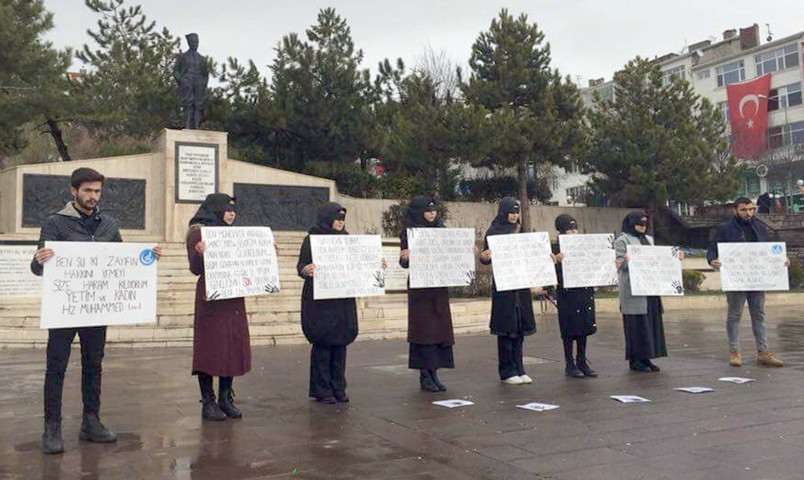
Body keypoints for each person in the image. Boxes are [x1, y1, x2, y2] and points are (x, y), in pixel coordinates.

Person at [31, 167, 162, 454]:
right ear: (73, 191)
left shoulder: (109, 225)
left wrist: (146, 258)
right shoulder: (55, 223)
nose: (93, 196)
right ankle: (51, 428)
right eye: (88, 190)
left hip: (96, 309)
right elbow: (37, 268)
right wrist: (39, 260)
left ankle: (91, 421)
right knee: (56, 367)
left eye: (97, 191)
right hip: (65, 309)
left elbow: (122, 262)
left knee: (94, 364)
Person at [186, 193, 252, 421]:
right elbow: (195, 268)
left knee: (231, 347)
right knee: (209, 348)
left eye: (234, 210)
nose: (232, 214)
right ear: (216, 209)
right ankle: (208, 400)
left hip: (232, 298)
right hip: (211, 299)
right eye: (227, 209)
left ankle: (225, 397)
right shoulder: (198, 232)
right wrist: (199, 253)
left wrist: (265, 251)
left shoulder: (234, 234)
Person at [706, 197, 790, 367]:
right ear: (735, 210)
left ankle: (763, 352)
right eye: (744, 210)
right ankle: (734, 351)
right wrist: (712, 260)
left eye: (751, 209)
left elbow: (768, 250)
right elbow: (712, 248)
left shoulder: (759, 227)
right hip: (736, 279)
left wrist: (782, 259)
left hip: (757, 279)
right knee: (734, 315)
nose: (748, 213)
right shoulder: (725, 228)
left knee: (759, 314)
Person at [297, 202, 360, 404]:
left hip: (341, 299)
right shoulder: (312, 239)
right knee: (323, 345)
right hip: (320, 301)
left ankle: (338, 387)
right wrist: (305, 270)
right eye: (337, 218)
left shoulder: (347, 240)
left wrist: (375, 264)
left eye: (343, 219)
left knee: (340, 344)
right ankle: (322, 389)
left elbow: (358, 265)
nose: (340, 222)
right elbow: (301, 265)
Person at [399, 196, 455, 392]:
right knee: (424, 331)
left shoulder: (441, 230)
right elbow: (403, 260)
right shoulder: (409, 232)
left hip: (438, 286)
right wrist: (406, 258)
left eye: (434, 210)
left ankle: (435, 372)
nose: (432, 213)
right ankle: (425, 374)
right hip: (421, 289)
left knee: (439, 329)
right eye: (427, 210)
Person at [478, 198, 537, 385]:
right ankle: (506, 371)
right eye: (511, 212)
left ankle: (519, 368)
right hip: (504, 288)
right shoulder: (494, 231)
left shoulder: (521, 231)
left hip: (520, 286)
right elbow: (486, 257)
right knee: (506, 330)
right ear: (503, 212)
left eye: (516, 212)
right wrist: (484, 257)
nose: (514, 216)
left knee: (519, 329)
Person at [613, 212, 670, 373]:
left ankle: (647, 357)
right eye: (639, 223)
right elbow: (618, 264)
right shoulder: (622, 240)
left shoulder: (649, 240)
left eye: (645, 223)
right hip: (633, 291)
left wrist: (673, 257)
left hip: (650, 289)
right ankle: (636, 360)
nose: (643, 227)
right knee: (636, 325)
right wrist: (626, 261)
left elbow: (658, 259)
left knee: (649, 324)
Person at [552, 214, 598, 378]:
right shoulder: (555, 247)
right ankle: (569, 363)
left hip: (583, 290)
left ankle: (581, 360)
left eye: (575, 229)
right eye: (570, 229)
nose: (574, 232)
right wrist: (556, 261)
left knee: (583, 326)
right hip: (567, 294)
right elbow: (548, 271)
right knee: (569, 328)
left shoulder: (583, 245)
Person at [173, 33, 209, 129]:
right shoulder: (182, 57)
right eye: (193, 42)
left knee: (198, 104)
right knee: (188, 104)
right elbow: (175, 71)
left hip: (198, 83)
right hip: (187, 81)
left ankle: (196, 126)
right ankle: (187, 125)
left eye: (197, 42)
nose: (195, 44)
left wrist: (203, 84)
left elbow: (205, 74)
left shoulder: (202, 59)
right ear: (189, 43)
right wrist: (182, 81)